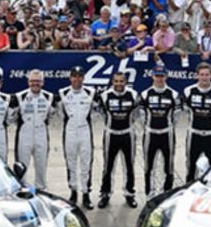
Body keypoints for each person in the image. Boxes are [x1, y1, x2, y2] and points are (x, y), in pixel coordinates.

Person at [96, 69, 139, 208]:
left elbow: (137, 114)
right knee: (108, 166)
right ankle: (105, 194)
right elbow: (101, 113)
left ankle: (129, 194)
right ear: (112, 82)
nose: (119, 84)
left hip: (128, 134)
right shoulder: (104, 96)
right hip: (111, 134)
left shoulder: (133, 95)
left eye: (121, 81)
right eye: (116, 81)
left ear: (126, 82)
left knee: (129, 165)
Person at [182, 62, 211, 183]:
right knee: (190, 164)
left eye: (207, 74)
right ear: (197, 75)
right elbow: (186, 110)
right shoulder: (188, 91)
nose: (204, 77)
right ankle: (188, 187)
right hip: (194, 134)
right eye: (201, 74)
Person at [58, 66, 97, 208]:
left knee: (86, 163)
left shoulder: (91, 92)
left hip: (85, 131)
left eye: (80, 76)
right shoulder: (62, 93)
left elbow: (97, 111)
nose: (77, 79)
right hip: (70, 131)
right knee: (71, 162)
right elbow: (58, 113)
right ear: (70, 78)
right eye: (74, 76)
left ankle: (86, 194)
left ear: (83, 77)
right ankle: (73, 192)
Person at [138, 64, 180, 196]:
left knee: (168, 165)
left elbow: (177, 115)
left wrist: (168, 125)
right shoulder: (145, 94)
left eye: (162, 76)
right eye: (157, 76)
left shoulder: (173, 94)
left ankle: (166, 193)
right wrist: (149, 125)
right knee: (149, 166)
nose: (159, 79)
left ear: (166, 77)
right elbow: (141, 114)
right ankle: (150, 194)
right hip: (150, 134)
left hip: (167, 134)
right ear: (153, 76)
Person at [13, 70, 55, 189]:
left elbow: (51, 115)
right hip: (24, 135)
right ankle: (21, 191)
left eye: (38, 81)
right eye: (32, 81)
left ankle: (42, 190)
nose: (35, 83)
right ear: (28, 82)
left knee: (41, 166)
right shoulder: (20, 96)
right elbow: (12, 117)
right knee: (21, 168)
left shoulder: (49, 97)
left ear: (43, 82)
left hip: (41, 135)